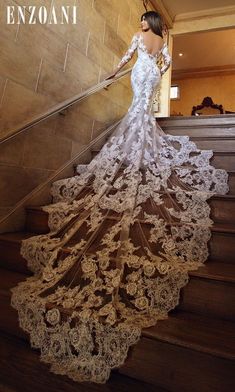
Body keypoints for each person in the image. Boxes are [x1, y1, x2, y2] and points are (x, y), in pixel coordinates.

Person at [11, 11, 229, 385]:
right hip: (148, 84)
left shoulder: (141, 37)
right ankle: (137, 153)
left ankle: (134, 156)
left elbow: (127, 59)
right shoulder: (162, 45)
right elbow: (159, 67)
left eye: (145, 21)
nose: (142, 26)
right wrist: (143, 72)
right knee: (140, 116)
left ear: (149, 23)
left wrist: (113, 74)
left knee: (136, 116)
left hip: (142, 82)